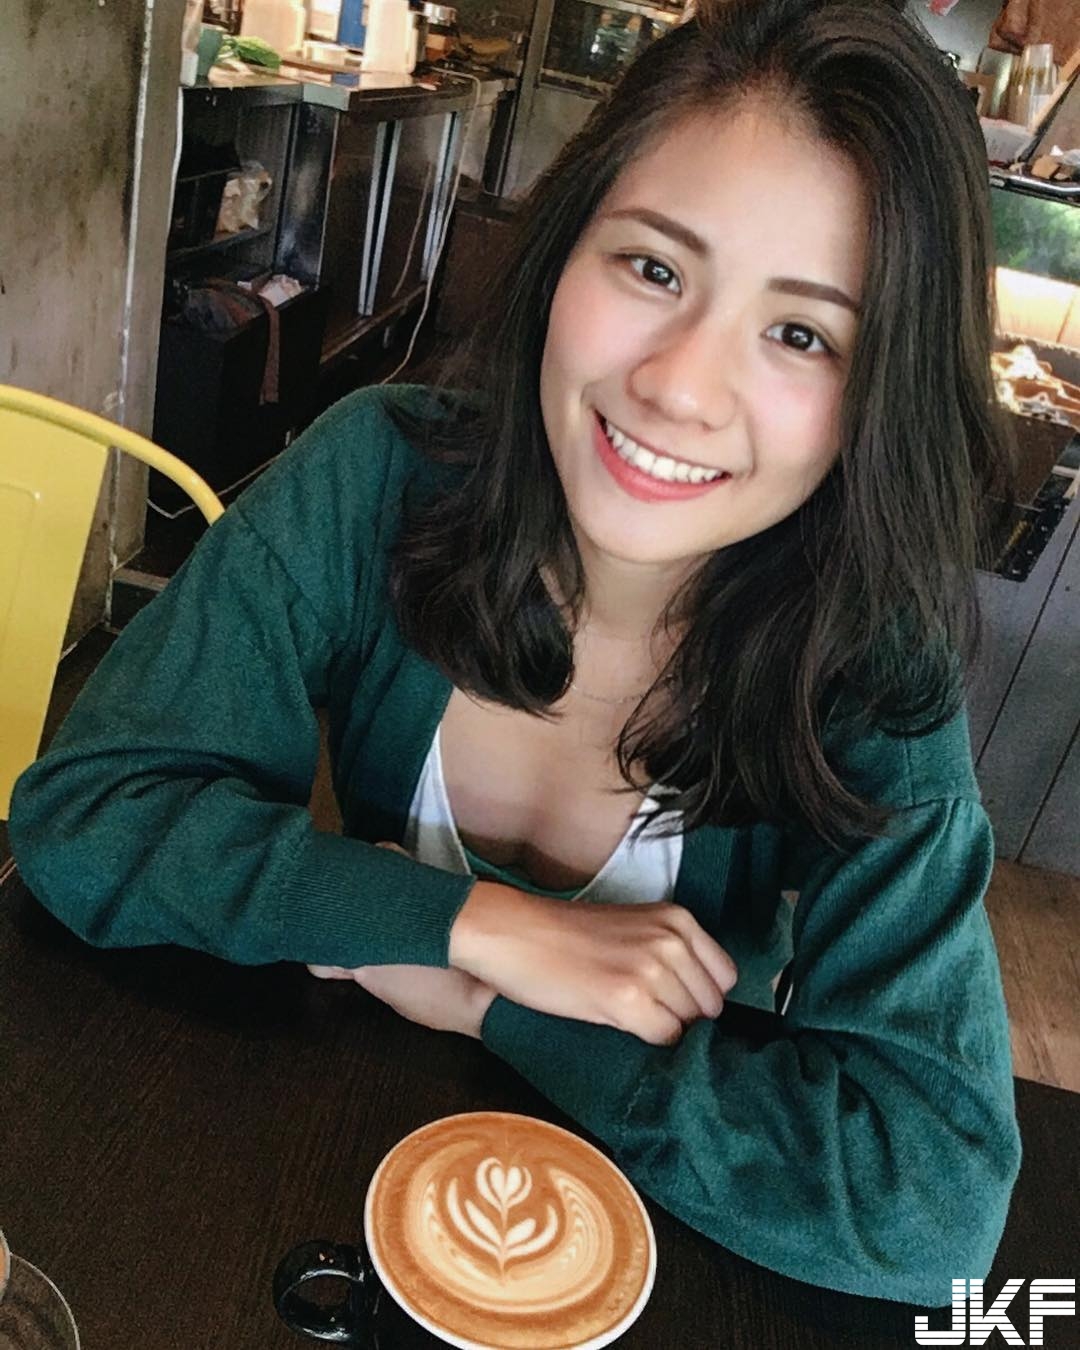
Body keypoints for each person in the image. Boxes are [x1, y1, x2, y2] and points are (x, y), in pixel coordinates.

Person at [10, 0, 1020, 1307]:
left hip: (655, 1251)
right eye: (652, 268)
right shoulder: (381, 472)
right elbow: (88, 816)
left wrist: (491, 996)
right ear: (564, 248)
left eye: (802, 334)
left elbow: (930, 1206)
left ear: (878, 397)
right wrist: (469, 921)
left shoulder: (873, 664)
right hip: (324, 1182)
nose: (678, 386)